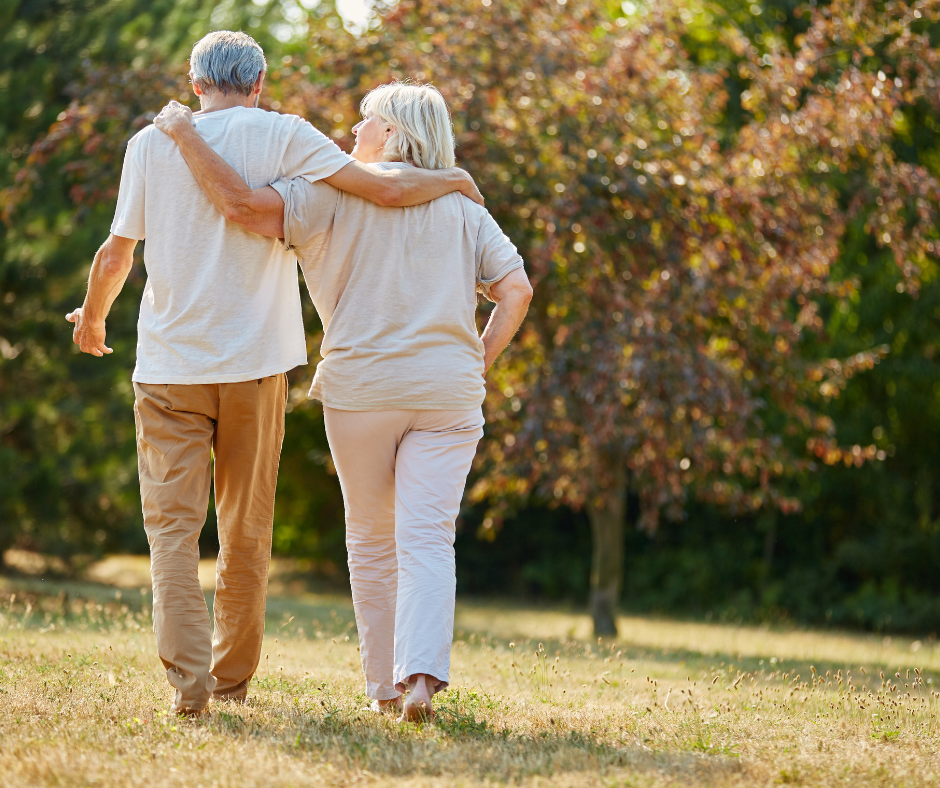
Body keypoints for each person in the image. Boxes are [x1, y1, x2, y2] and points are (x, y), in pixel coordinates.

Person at [65, 32, 484, 718]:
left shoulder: (149, 143)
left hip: (169, 367)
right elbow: (379, 186)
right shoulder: (288, 134)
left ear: (195, 83)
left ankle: (188, 686)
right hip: (256, 367)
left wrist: (92, 318)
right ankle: (230, 681)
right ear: (260, 81)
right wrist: (456, 181)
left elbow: (117, 252)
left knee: (172, 532)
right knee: (246, 530)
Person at [153, 81, 533, 722]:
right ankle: (420, 679)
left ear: (390, 133)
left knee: (371, 540)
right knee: (430, 540)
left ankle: (382, 690)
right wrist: (477, 359)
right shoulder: (463, 204)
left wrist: (187, 137)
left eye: (365, 121)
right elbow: (516, 290)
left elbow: (245, 211)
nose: (352, 132)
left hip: (363, 389)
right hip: (449, 391)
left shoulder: (325, 193)